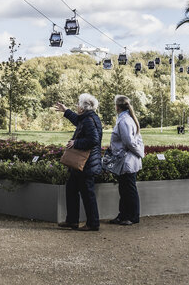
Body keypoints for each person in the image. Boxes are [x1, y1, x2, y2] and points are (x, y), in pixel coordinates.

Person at [53, 93, 103, 231]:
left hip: (86, 164)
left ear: (82, 107)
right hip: (82, 164)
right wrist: (66, 110)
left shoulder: (88, 120)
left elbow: (93, 140)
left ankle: (93, 224)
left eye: (78, 104)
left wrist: (76, 142)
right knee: (71, 189)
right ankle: (72, 221)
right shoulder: (88, 117)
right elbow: (78, 121)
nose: (76, 106)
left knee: (88, 194)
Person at [106, 95, 144, 226]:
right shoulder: (128, 119)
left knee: (128, 189)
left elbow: (129, 142)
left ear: (117, 107)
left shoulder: (124, 121)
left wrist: (140, 153)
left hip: (127, 160)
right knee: (124, 188)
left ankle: (132, 216)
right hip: (126, 159)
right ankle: (123, 215)